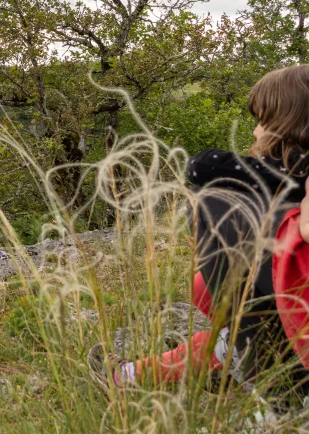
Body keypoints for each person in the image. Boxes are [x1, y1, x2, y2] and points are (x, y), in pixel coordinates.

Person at [89, 65, 309, 398]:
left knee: (213, 202)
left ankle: (264, 384)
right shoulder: (293, 179)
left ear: (289, 124)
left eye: (262, 121)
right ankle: (146, 373)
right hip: (285, 316)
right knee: (209, 296)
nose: (253, 132)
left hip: (289, 329)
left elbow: (203, 165)